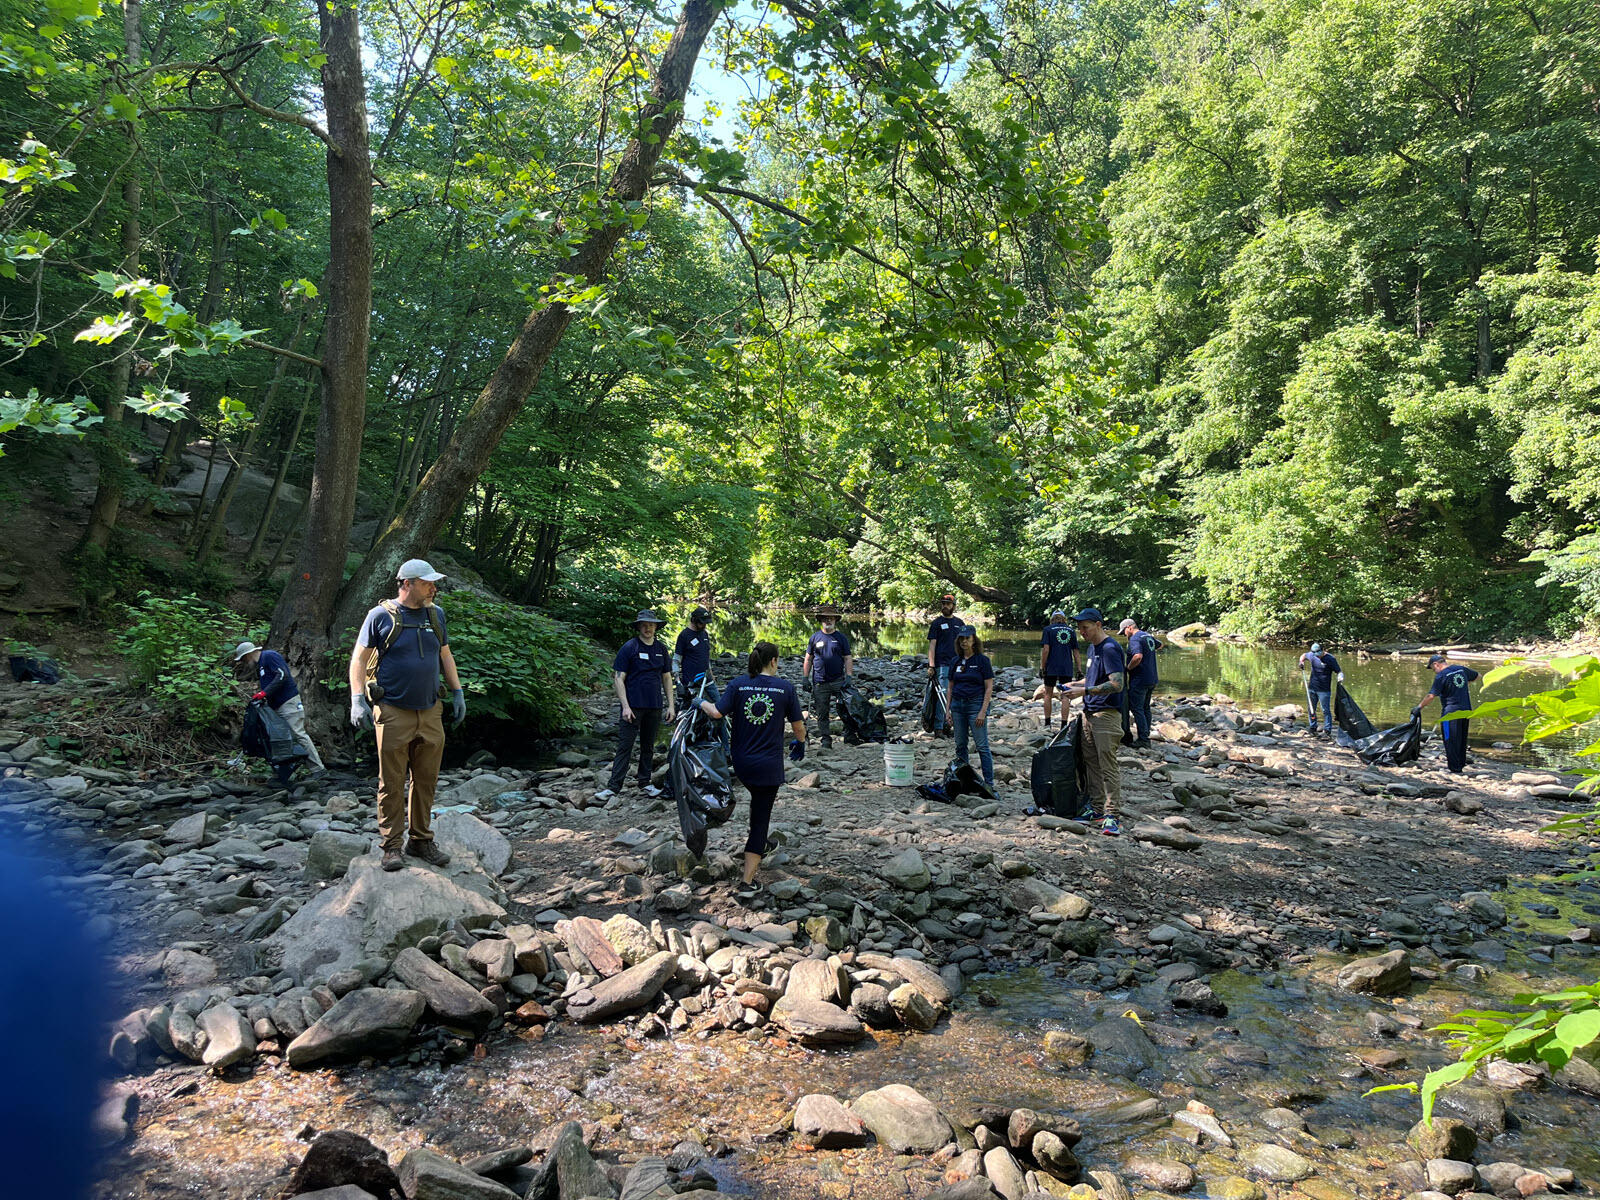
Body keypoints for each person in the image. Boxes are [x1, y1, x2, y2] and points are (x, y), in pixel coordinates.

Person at [347, 558, 466, 872]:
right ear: (407, 583)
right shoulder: (379, 616)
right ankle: (391, 847)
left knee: (426, 780)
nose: (433, 587)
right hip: (392, 711)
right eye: (427, 582)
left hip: (430, 710)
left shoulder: (436, 615)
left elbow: (445, 654)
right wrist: (357, 700)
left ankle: (421, 840)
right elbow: (358, 660)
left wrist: (457, 691)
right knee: (392, 782)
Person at [698, 641, 806, 895]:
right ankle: (747, 882)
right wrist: (800, 743)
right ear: (773, 661)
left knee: (757, 802)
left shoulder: (738, 685)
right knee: (760, 819)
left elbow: (716, 713)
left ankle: (763, 844)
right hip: (768, 766)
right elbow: (798, 726)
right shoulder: (785, 688)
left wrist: (699, 702)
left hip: (743, 764)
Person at [597, 610, 676, 802]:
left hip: (654, 706)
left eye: (651, 625)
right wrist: (625, 706)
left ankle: (645, 783)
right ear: (638, 626)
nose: (648, 628)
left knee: (648, 747)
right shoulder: (629, 648)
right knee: (625, 746)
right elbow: (618, 678)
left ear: (656, 627)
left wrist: (671, 706)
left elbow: (666, 677)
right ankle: (613, 788)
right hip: (633, 706)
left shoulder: (661, 649)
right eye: (644, 624)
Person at [1062, 607, 1125, 836]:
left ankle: (1111, 816)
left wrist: (1085, 691)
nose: (1081, 632)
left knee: (1108, 764)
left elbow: (1117, 684)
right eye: (1079, 628)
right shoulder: (1092, 648)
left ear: (1098, 624)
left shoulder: (1109, 648)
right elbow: (1092, 678)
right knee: (1091, 763)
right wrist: (1075, 685)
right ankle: (1097, 809)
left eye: (1085, 627)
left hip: (1107, 715)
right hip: (1090, 713)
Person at [233, 640, 324, 776]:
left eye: (243, 659)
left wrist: (264, 693)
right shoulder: (261, 665)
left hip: (289, 703)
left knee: (298, 734)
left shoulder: (269, 656)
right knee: (281, 740)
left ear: (248, 654)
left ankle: (318, 769)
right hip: (277, 707)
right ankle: (285, 774)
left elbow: (282, 675)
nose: (244, 662)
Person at [1415, 653, 1480, 773]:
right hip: (1466, 710)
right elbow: (1477, 676)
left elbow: (1431, 696)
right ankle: (1460, 765)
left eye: (1433, 668)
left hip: (1450, 712)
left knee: (1450, 738)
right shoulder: (1460, 669)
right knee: (1461, 738)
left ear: (1436, 664)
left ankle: (1455, 769)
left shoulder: (1441, 676)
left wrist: (1419, 707)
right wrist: (1462, 686)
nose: (1434, 671)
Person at [949, 626, 995, 790]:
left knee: (982, 746)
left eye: (967, 638)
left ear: (974, 640)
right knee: (960, 745)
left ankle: (989, 783)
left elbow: (989, 687)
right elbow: (950, 687)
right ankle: (964, 780)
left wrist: (983, 711)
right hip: (957, 706)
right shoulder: (955, 661)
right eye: (961, 638)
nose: (964, 641)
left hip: (975, 705)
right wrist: (948, 710)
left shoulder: (982, 661)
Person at [802, 605, 853, 749]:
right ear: (821, 620)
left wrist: (849, 677)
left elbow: (848, 658)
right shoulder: (814, 637)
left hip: (838, 681)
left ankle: (849, 735)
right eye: (825, 618)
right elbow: (808, 659)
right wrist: (805, 678)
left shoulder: (841, 638)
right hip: (819, 682)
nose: (828, 620)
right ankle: (826, 739)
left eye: (831, 618)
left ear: (835, 620)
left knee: (845, 709)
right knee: (822, 712)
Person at [1119, 618, 1160, 749]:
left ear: (1129, 627)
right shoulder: (1147, 635)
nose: (1124, 635)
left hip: (1140, 679)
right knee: (1146, 707)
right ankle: (1146, 735)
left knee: (1137, 708)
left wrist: (1127, 668)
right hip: (1152, 677)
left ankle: (1143, 739)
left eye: (1124, 631)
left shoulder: (1135, 638)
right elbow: (1160, 645)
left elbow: (1137, 656)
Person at [926, 592, 964, 732]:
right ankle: (938, 728)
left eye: (948, 604)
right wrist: (931, 665)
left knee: (956, 695)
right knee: (942, 695)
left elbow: (964, 644)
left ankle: (950, 725)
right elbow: (932, 646)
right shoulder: (937, 623)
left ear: (953, 606)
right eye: (943, 604)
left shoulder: (959, 623)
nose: (945, 606)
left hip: (958, 665)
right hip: (942, 665)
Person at [1038, 608, 1079, 728]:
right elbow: (1075, 651)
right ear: (1064, 619)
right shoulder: (1071, 631)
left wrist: (1042, 667)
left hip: (1051, 666)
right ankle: (1064, 725)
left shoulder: (1048, 630)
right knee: (1065, 695)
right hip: (1066, 667)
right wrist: (1079, 670)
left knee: (1048, 694)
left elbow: (1046, 650)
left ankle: (1047, 723)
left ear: (1052, 619)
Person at [1298, 642, 1344, 739]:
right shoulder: (1311, 655)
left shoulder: (1330, 659)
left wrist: (1340, 676)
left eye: (1318, 654)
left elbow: (1338, 671)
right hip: (1312, 688)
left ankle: (1327, 730)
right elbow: (1304, 655)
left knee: (1325, 710)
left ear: (1323, 650)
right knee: (1311, 709)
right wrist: (1301, 662)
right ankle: (1312, 727)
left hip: (1324, 690)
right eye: (1315, 655)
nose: (1317, 657)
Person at [674, 606, 714, 705]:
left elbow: (705, 657)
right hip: (691, 682)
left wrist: (711, 675)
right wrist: (678, 682)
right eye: (701, 623)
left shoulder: (704, 634)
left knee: (719, 706)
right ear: (693, 620)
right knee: (689, 710)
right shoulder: (684, 635)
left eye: (706, 623)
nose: (704, 625)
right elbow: (676, 660)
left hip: (707, 680)